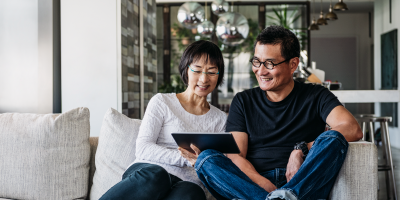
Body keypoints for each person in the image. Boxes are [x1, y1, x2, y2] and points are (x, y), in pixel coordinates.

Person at [179, 26, 363, 200]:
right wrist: (262, 184)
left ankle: (288, 195)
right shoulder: (243, 100)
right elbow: (236, 155)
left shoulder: (316, 95)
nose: (260, 70)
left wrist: (302, 149)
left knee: (332, 137)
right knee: (206, 159)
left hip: (303, 179)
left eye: (269, 63)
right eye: (257, 62)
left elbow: (352, 129)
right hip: (254, 184)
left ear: (293, 64)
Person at [99, 40, 227, 200]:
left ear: (219, 75)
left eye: (211, 71)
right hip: (149, 173)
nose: (203, 78)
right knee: (157, 176)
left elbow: (218, 163)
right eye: (197, 70)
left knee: (192, 193)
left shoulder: (221, 120)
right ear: (186, 70)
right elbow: (143, 148)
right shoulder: (162, 102)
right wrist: (186, 159)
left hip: (188, 182)